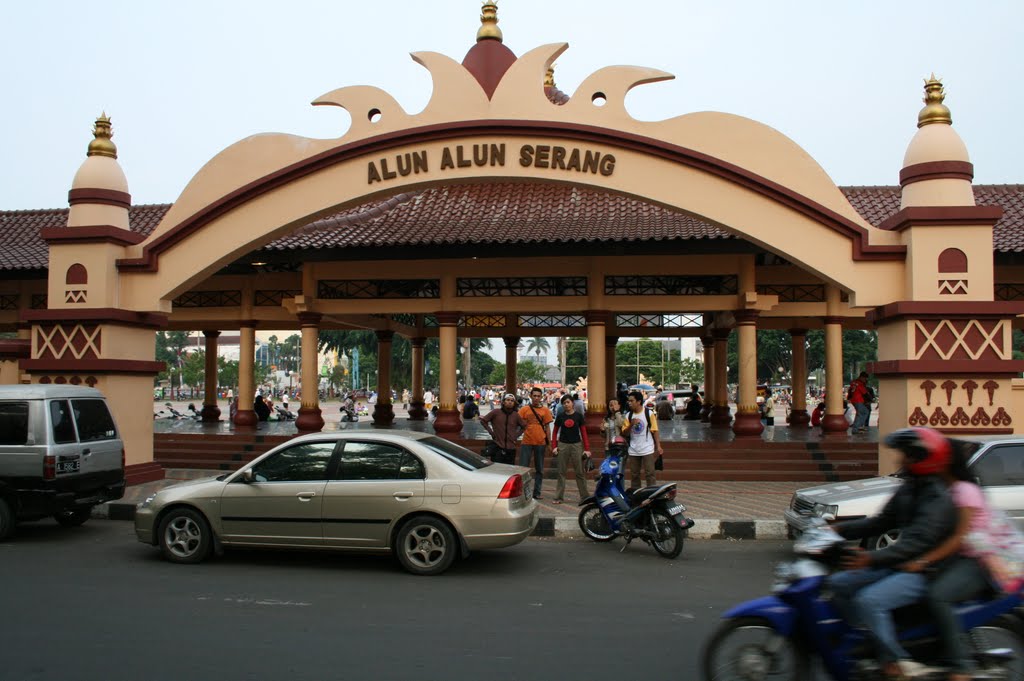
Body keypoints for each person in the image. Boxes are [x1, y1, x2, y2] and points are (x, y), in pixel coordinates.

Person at [828, 427, 958, 680]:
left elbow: (918, 543)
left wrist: (871, 557)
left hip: (925, 570)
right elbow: (880, 523)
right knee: (838, 583)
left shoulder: (936, 497)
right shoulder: (910, 488)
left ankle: (897, 661)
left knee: (870, 600)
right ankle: (868, 641)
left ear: (921, 458)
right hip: (900, 563)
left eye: (907, 455)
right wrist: (839, 529)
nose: (900, 460)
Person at [904, 441, 995, 681]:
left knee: (938, 595)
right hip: (959, 556)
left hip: (979, 560)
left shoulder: (964, 491)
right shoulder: (941, 488)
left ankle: (962, 665)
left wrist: (924, 560)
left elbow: (959, 537)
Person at [551, 395, 591, 504]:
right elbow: (554, 432)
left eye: (568, 402)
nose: (566, 405)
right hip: (562, 445)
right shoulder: (560, 416)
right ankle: (558, 497)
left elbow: (583, 433)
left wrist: (587, 449)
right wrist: (554, 446)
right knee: (561, 472)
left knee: (579, 472)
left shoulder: (579, 416)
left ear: (572, 403)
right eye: (564, 403)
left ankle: (585, 496)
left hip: (576, 445)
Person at [621, 390, 663, 489]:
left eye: (632, 401)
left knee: (650, 473)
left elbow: (655, 430)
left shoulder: (649, 414)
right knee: (634, 474)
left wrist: (658, 446)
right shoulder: (628, 415)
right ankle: (636, 494)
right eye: (629, 401)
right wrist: (631, 424)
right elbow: (624, 433)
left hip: (647, 448)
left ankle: (651, 493)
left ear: (639, 401)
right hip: (633, 449)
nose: (629, 403)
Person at [518, 386, 553, 500]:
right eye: (534, 396)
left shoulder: (545, 411)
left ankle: (537, 493)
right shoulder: (524, 409)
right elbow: (517, 423)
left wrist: (549, 443)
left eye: (538, 396)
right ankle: (523, 492)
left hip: (540, 442)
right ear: (530, 396)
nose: (536, 398)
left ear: (541, 397)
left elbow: (548, 428)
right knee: (523, 469)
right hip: (526, 441)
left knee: (539, 469)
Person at [481, 393, 526, 465]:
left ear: (514, 403)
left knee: (509, 470)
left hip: (511, 448)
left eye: (512, 400)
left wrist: (516, 435)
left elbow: (524, 426)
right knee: (497, 469)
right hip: (498, 446)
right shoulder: (496, 412)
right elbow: (483, 421)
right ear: (503, 402)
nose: (510, 402)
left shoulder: (516, 415)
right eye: (508, 400)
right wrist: (491, 432)